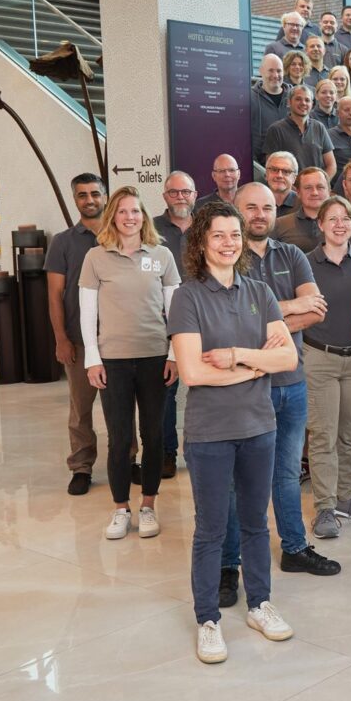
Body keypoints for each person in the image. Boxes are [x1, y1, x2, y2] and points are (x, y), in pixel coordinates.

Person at [167, 200, 299, 664]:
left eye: (235, 234)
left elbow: (288, 360)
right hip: (209, 433)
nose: (228, 243)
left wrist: (237, 356)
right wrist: (255, 364)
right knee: (209, 529)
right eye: (219, 234)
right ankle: (208, 619)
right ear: (202, 241)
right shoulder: (187, 296)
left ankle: (260, 604)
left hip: (258, 427)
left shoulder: (260, 292)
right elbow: (193, 373)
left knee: (254, 525)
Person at [215, 182, 339, 607]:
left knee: (286, 474)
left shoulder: (293, 255)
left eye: (267, 207)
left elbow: (316, 309)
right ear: (236, 209)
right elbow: (229, 322)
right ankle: (229, 566)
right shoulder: (228, 258)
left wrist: (265, 317)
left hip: (293, 385)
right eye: (251, 207)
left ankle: (294, 548)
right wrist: (285, 311)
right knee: (237, 482)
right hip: (247, 390)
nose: (260, 214)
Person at [79, 186, 180, 540]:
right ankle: (121, 508)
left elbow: (175, 310)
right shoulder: (96, 257)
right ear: (113, 216)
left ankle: (148, 504)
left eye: (135, 211)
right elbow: (87, 312)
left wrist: (173, 354)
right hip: (114, 361)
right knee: (120, 438)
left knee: (153, 436)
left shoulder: (161, 256)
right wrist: (93, 359)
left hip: (155, 358)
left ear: (143, 215)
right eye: (122, 211)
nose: (129, 217)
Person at [303, 196, 351, 539]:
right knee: (323, 435)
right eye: (332, 218)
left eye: (345, 218)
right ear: (320, 225)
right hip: (319, 358)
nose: (339, 224)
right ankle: (324, 506)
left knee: (350, 434)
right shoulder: (304, 263)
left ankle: (347, 498)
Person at [46, 173, 108, 495]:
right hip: (80, 342)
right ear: (75, 199)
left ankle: (128, 460)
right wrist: (61, 338)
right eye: (83, 195)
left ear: (105, 196)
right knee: (81, 409)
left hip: (118, 341)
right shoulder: (63, 242)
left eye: (95, 193)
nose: (90, 200)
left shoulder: (120, 236)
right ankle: (82, 467)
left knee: (121, 407)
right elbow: (55, 294)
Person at [154, 170, 197, 478]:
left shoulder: (206, 227)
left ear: (195, 195)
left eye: (186, 192)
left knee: (204, 384)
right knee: (166, 388)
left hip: (205, 317)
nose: (181, 197)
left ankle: (197, 449)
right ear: (165, 196)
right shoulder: (151, 229)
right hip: (162, 320)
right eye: (174, 192)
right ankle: (167, 453)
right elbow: (145, 266)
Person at [262, 86, 336, 180]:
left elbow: (332, 165)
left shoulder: (319, 127)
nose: (303, 103)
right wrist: (294, 189)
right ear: (289, 102)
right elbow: (271, 168)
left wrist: (321, 184)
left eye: (307, 100)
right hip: (290, 190)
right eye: (298, 99)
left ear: (312, 104)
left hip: (316, 189)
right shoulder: (276, 130)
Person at [274, 167, 330, 254]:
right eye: (308, 188)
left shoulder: (342, 223)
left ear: (329, 191)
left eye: (320, 187)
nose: (314, 193)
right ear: (298, 193)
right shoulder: (279, 225)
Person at [249, 54, 289, 165]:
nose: (275, 75)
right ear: (261, 71)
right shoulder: (248, 98)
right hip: (259, 166)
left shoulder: (295, 98)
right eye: (270, 70)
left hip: (291, 165)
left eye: (279, 71)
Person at [263, 152, 299, 217]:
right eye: (274, 170)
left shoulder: (304, 205)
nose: (279, 175)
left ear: (294, 178)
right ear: (266, 174)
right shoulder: (255, 201)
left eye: (286, 171)